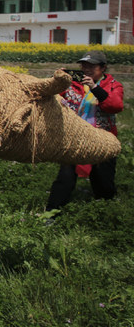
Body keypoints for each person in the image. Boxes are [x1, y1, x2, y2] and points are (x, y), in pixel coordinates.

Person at [46, 50, 124, 211]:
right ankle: (52, 213)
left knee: (102, 179)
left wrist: (94, 88)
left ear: (103, 68)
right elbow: (51, 96)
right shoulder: (73, 85)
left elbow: (115, 106)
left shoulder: (112, 85)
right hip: (76, 138)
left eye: (92, 66)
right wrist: (57, 81)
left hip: (102, 139)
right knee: (65, 177)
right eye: (84, 66)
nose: (87, 69)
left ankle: (105, 211)